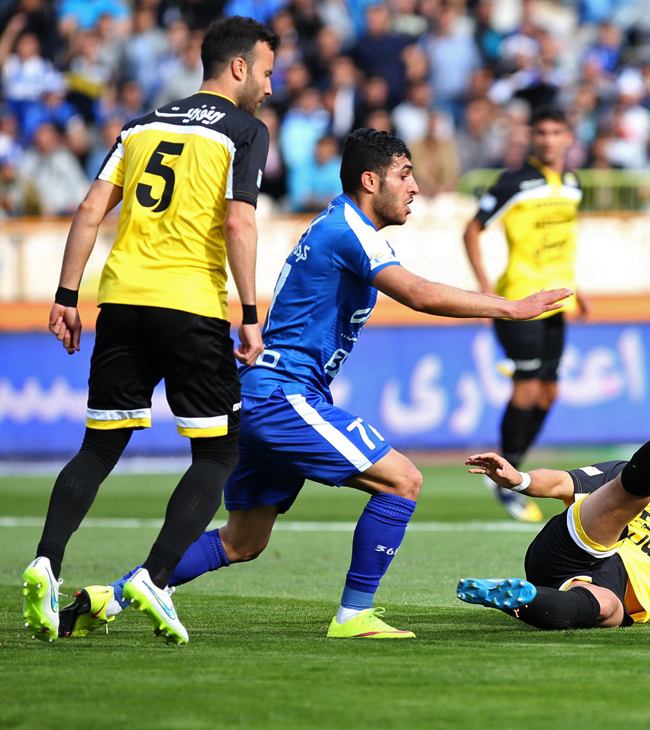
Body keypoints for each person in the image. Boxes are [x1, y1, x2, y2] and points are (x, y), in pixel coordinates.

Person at [55, 128, 572, 643]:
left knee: (243, 541)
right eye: (404, 175)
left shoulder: (340, 225)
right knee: (403, 481)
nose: (414, 187)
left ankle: (109, 599)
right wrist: (510, 306)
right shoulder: (350, 229)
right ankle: (354, 615)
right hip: (282, 393)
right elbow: (417, 293)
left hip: (262, 394)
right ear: (371, 180)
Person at [21, 15, 279, 645]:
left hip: (121, 302)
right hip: (190, 303)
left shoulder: (141, 124)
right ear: (239, 66)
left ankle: (46, 562)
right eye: (267, 72)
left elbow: (88, 209)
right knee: (219, 452)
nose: (270, 87)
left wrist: (65, 295)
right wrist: (248, 313)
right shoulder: (244, 131)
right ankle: (157, 576)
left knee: (99, 447)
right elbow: (240, 225)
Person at [457, 369, 650, 630]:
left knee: (605, 610)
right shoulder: (648, 484)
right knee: (637, 489)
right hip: (581, 546)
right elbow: (562, 483)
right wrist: (519, 480)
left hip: (609, 594)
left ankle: (519, 598)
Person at [462, 105, 588, 523]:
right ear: (533, 137)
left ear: (568, 137)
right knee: (527, 390)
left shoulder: (572, 184)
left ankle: (512, 465)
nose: (549, 139)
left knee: (549, 393)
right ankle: (504, 473)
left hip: (557, 304)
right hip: (519, 302)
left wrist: (578, 289)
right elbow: (472, 228)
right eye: (542, 132)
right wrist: (487, 291)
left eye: (557, 131)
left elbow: (562, 243)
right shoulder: (515, 182)